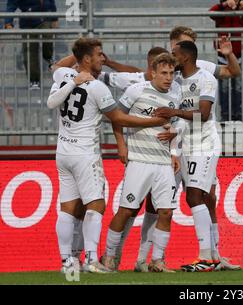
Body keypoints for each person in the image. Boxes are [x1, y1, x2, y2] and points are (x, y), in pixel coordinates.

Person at [48, 37, 169, 273]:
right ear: (86, 59)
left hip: (63, 151)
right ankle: (92, 259)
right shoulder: (97, 87)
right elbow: (118, 118)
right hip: (85, 154)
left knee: (68, 208)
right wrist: (155, 120)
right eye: (98, 54)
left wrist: (79, 52)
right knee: (96, 205)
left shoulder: (63, 76)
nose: (102, 58)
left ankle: (67, 262)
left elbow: (56, 67)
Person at [101, 53, 181, 273]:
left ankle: (157, 261)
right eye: (163, 73)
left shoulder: (176, 93)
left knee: (166, 212)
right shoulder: (137, 90)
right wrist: (121, 145)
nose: (168, 78)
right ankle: (109, 256)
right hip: (139, 160)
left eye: (171, 73)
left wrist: (174, 151)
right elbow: (116, 117)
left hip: (163, 163)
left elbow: (175, 127)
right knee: (126, 211)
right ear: (153, 72)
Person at [154, 41, 221, 272]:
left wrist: (174, 112)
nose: (172, 59)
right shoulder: (177, 81)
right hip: (183, 145)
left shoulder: (206, 79)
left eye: (174, 55)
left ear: (186, 57)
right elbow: (179, 117)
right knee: (190, 198)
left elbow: (203, 114)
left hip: (205, 145)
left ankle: (207, 257)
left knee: (195, 197)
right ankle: (212, 256)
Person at [209, 0, 243, 122]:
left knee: (237, 87)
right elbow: (211, 13)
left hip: (239, 56)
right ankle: (225, 115)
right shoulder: (221, 10)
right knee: (224, 87)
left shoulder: (242, 11)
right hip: (223, 57)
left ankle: (237, 114)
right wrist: (224, 5)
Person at [5, 0, 58, 90]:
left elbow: (51, 2)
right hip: (28, 22)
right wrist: (8, 22)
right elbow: (11, 5)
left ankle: (48, 57)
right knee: (30, 52)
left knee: (48, 36)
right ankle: (34, 80)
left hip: (45, 18)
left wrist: (54, 18)